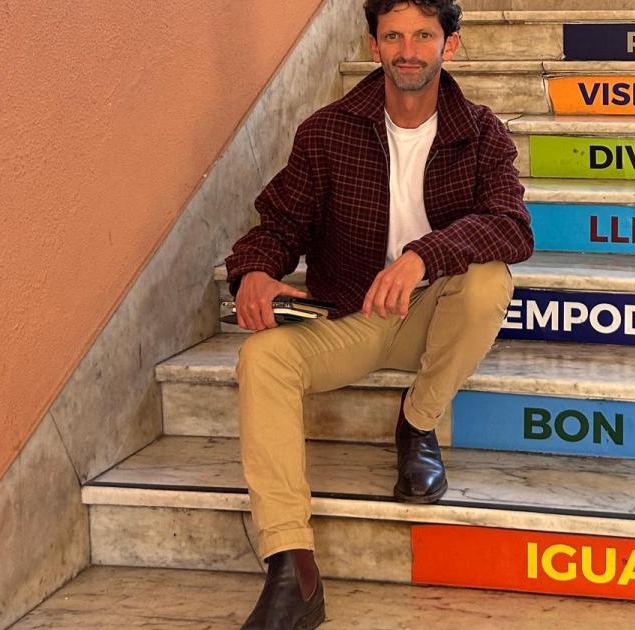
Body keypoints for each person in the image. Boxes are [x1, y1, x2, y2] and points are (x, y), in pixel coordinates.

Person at [224, 0, 533, 626]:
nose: (408, 50)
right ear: (374, 46)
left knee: (487, 280)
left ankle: (417, 423)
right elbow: (278, 224)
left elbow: (511, 227)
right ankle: (292, 566)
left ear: (449, 46)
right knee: (261, 358)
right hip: (353, 317)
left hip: (435, 313)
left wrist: (423, 256)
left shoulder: (480, 131)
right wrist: (254, 272)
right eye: (393, 36)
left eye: (423, 35)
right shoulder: (327, 131)